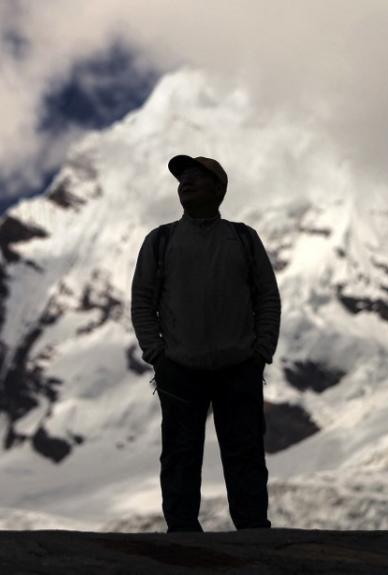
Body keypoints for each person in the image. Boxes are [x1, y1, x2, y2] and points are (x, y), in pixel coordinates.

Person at [130, 154, 282, 532]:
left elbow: (267, 296)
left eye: (198, 176)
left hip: (238, 367)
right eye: (183, 177)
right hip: (180, 368)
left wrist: (261, 351)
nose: (186, 182)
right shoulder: (160, 240)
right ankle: (182, 536)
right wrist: (157, 355)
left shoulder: (244, 238)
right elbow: (142, 301)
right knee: (180, 456)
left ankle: (253, 536)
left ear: (219, 189)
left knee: (245, 454)